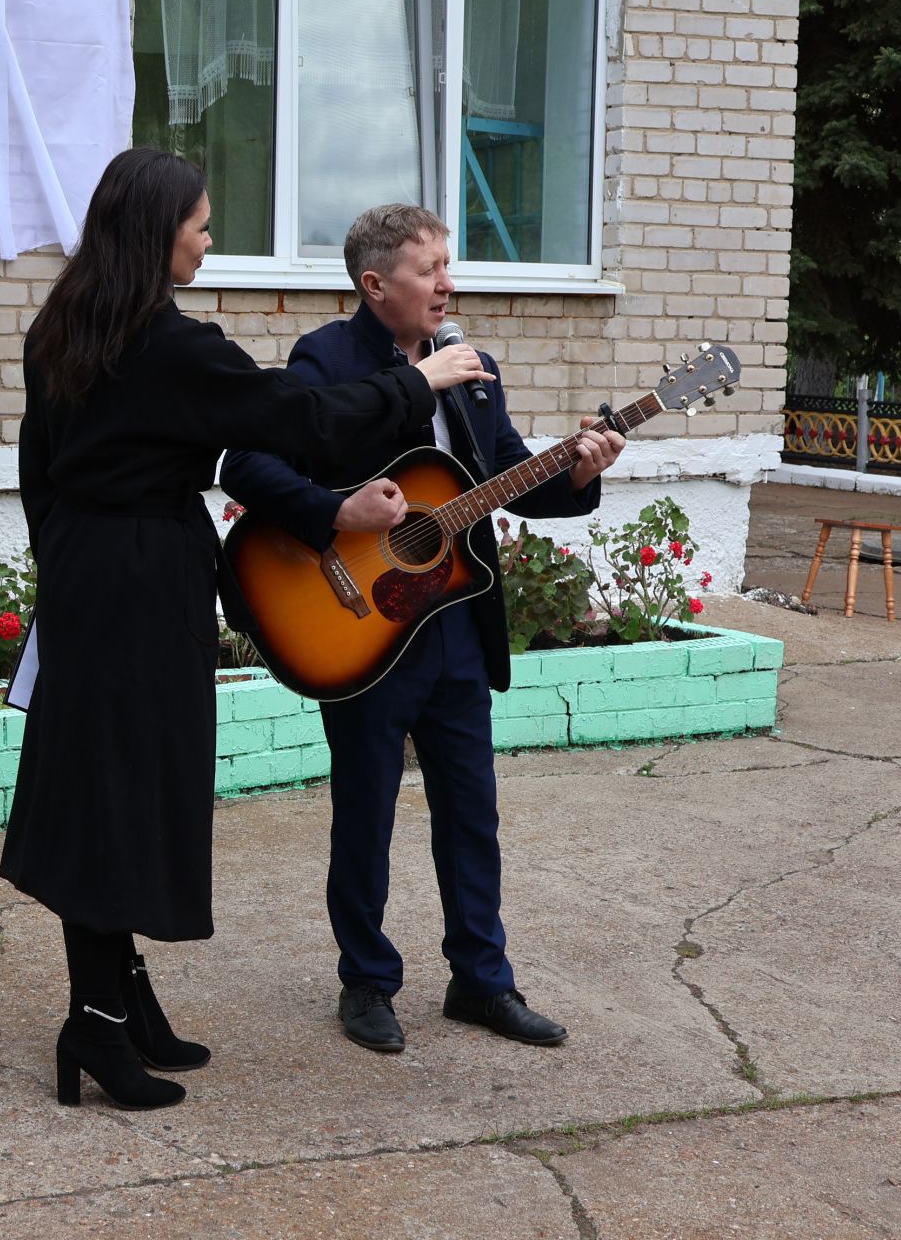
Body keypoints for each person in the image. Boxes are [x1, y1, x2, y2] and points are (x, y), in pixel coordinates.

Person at [0, 152, 494, 1111]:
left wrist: (64, 566)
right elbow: (295, 418)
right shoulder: (169, 345)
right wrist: (417, 383)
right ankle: (94, 1026)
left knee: (102, 793)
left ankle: (119, 1000)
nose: (210, 237)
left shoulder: (64, 325)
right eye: (200, 223)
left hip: (87, 572)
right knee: (129, 796)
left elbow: (38, 471)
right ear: (157, 234)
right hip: (142, 584)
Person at [221, 204, 626, 1057]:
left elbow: (508, 477)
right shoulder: (325, 359)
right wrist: (338, 511)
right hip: (357, 625)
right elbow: (252, 464)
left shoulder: (477, 370)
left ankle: (482, 981)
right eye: (427, 268)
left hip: (452, 626)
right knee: (365, 810)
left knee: (471, 812)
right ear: (375, 286)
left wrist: (580, 472)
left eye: (449, 264)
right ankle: (367, 982)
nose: (448, 282)